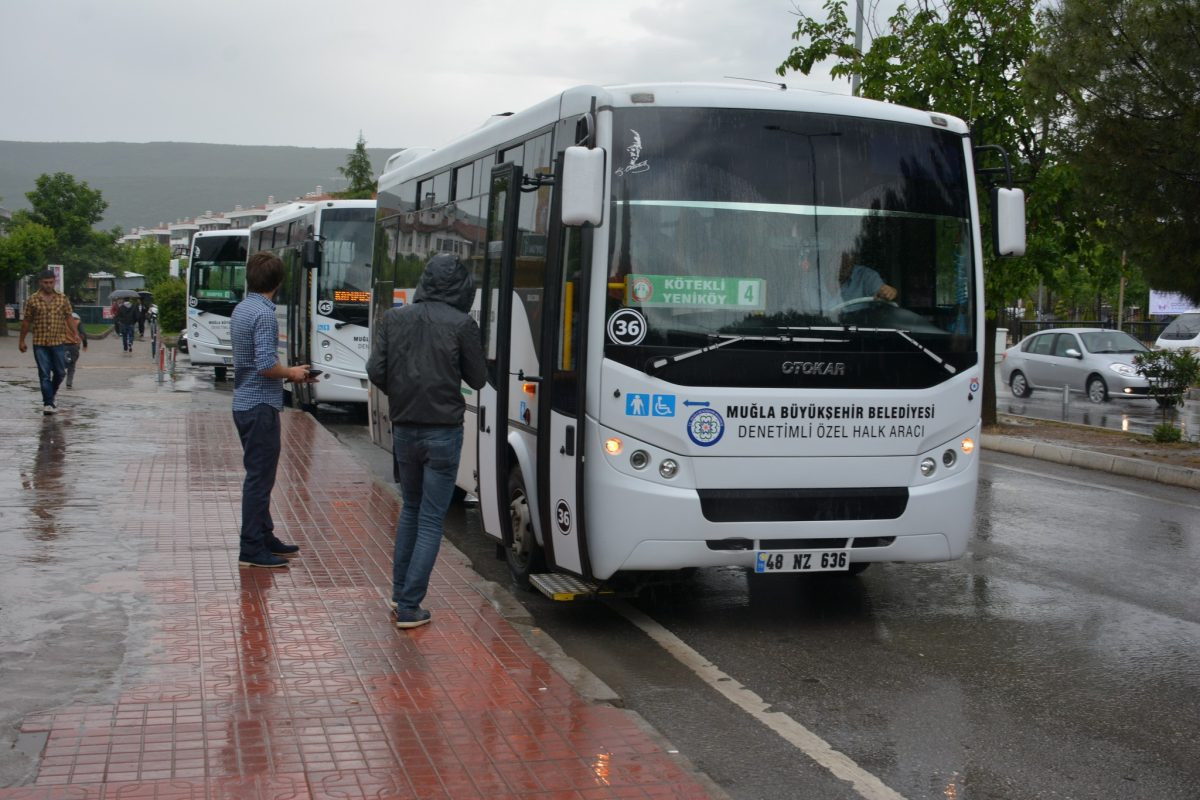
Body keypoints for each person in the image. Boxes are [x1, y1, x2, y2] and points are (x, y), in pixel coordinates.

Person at [366, 253, 486, 629]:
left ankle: (399, 593)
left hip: (405, 427)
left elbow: (375, 370)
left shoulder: (394, 319)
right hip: (444, 430)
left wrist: (402, 392)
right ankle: (409, 606)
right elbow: (479, 378)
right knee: (432, 519)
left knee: (411, 510)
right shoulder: (462, 324)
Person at [229, 251, 314, 569]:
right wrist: (293, 372)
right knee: (260, 479)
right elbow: (266, 364)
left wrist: (290, 373)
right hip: (260, 405)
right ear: (278, 282)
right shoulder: (265, 315)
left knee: (259, 475)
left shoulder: (242, 309)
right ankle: (251, 546)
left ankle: (265, 536)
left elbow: (251, 361)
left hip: (244, 402)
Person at [18, 269, 77, 415]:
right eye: (45, 282)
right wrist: (22, 340)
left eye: (51, 282)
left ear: (54, 282)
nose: (48, 285)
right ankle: (48, 404)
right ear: (40, 282)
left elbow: (69, 317)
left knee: (60, 372)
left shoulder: (62, 298)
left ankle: (51, 394)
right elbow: (26, 321)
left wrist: (75, 334)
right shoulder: (33, 299)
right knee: (44, 374)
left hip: (58, 342)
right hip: (40, 343)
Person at [64, 312, 88, 389]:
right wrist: (85, 344)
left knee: (60, 363)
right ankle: (69, 383)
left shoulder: (62, 321)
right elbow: (83, 334)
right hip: (74, 346)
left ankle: (56, 380)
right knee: (72, 365)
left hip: (62, 345)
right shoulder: (78, 322)